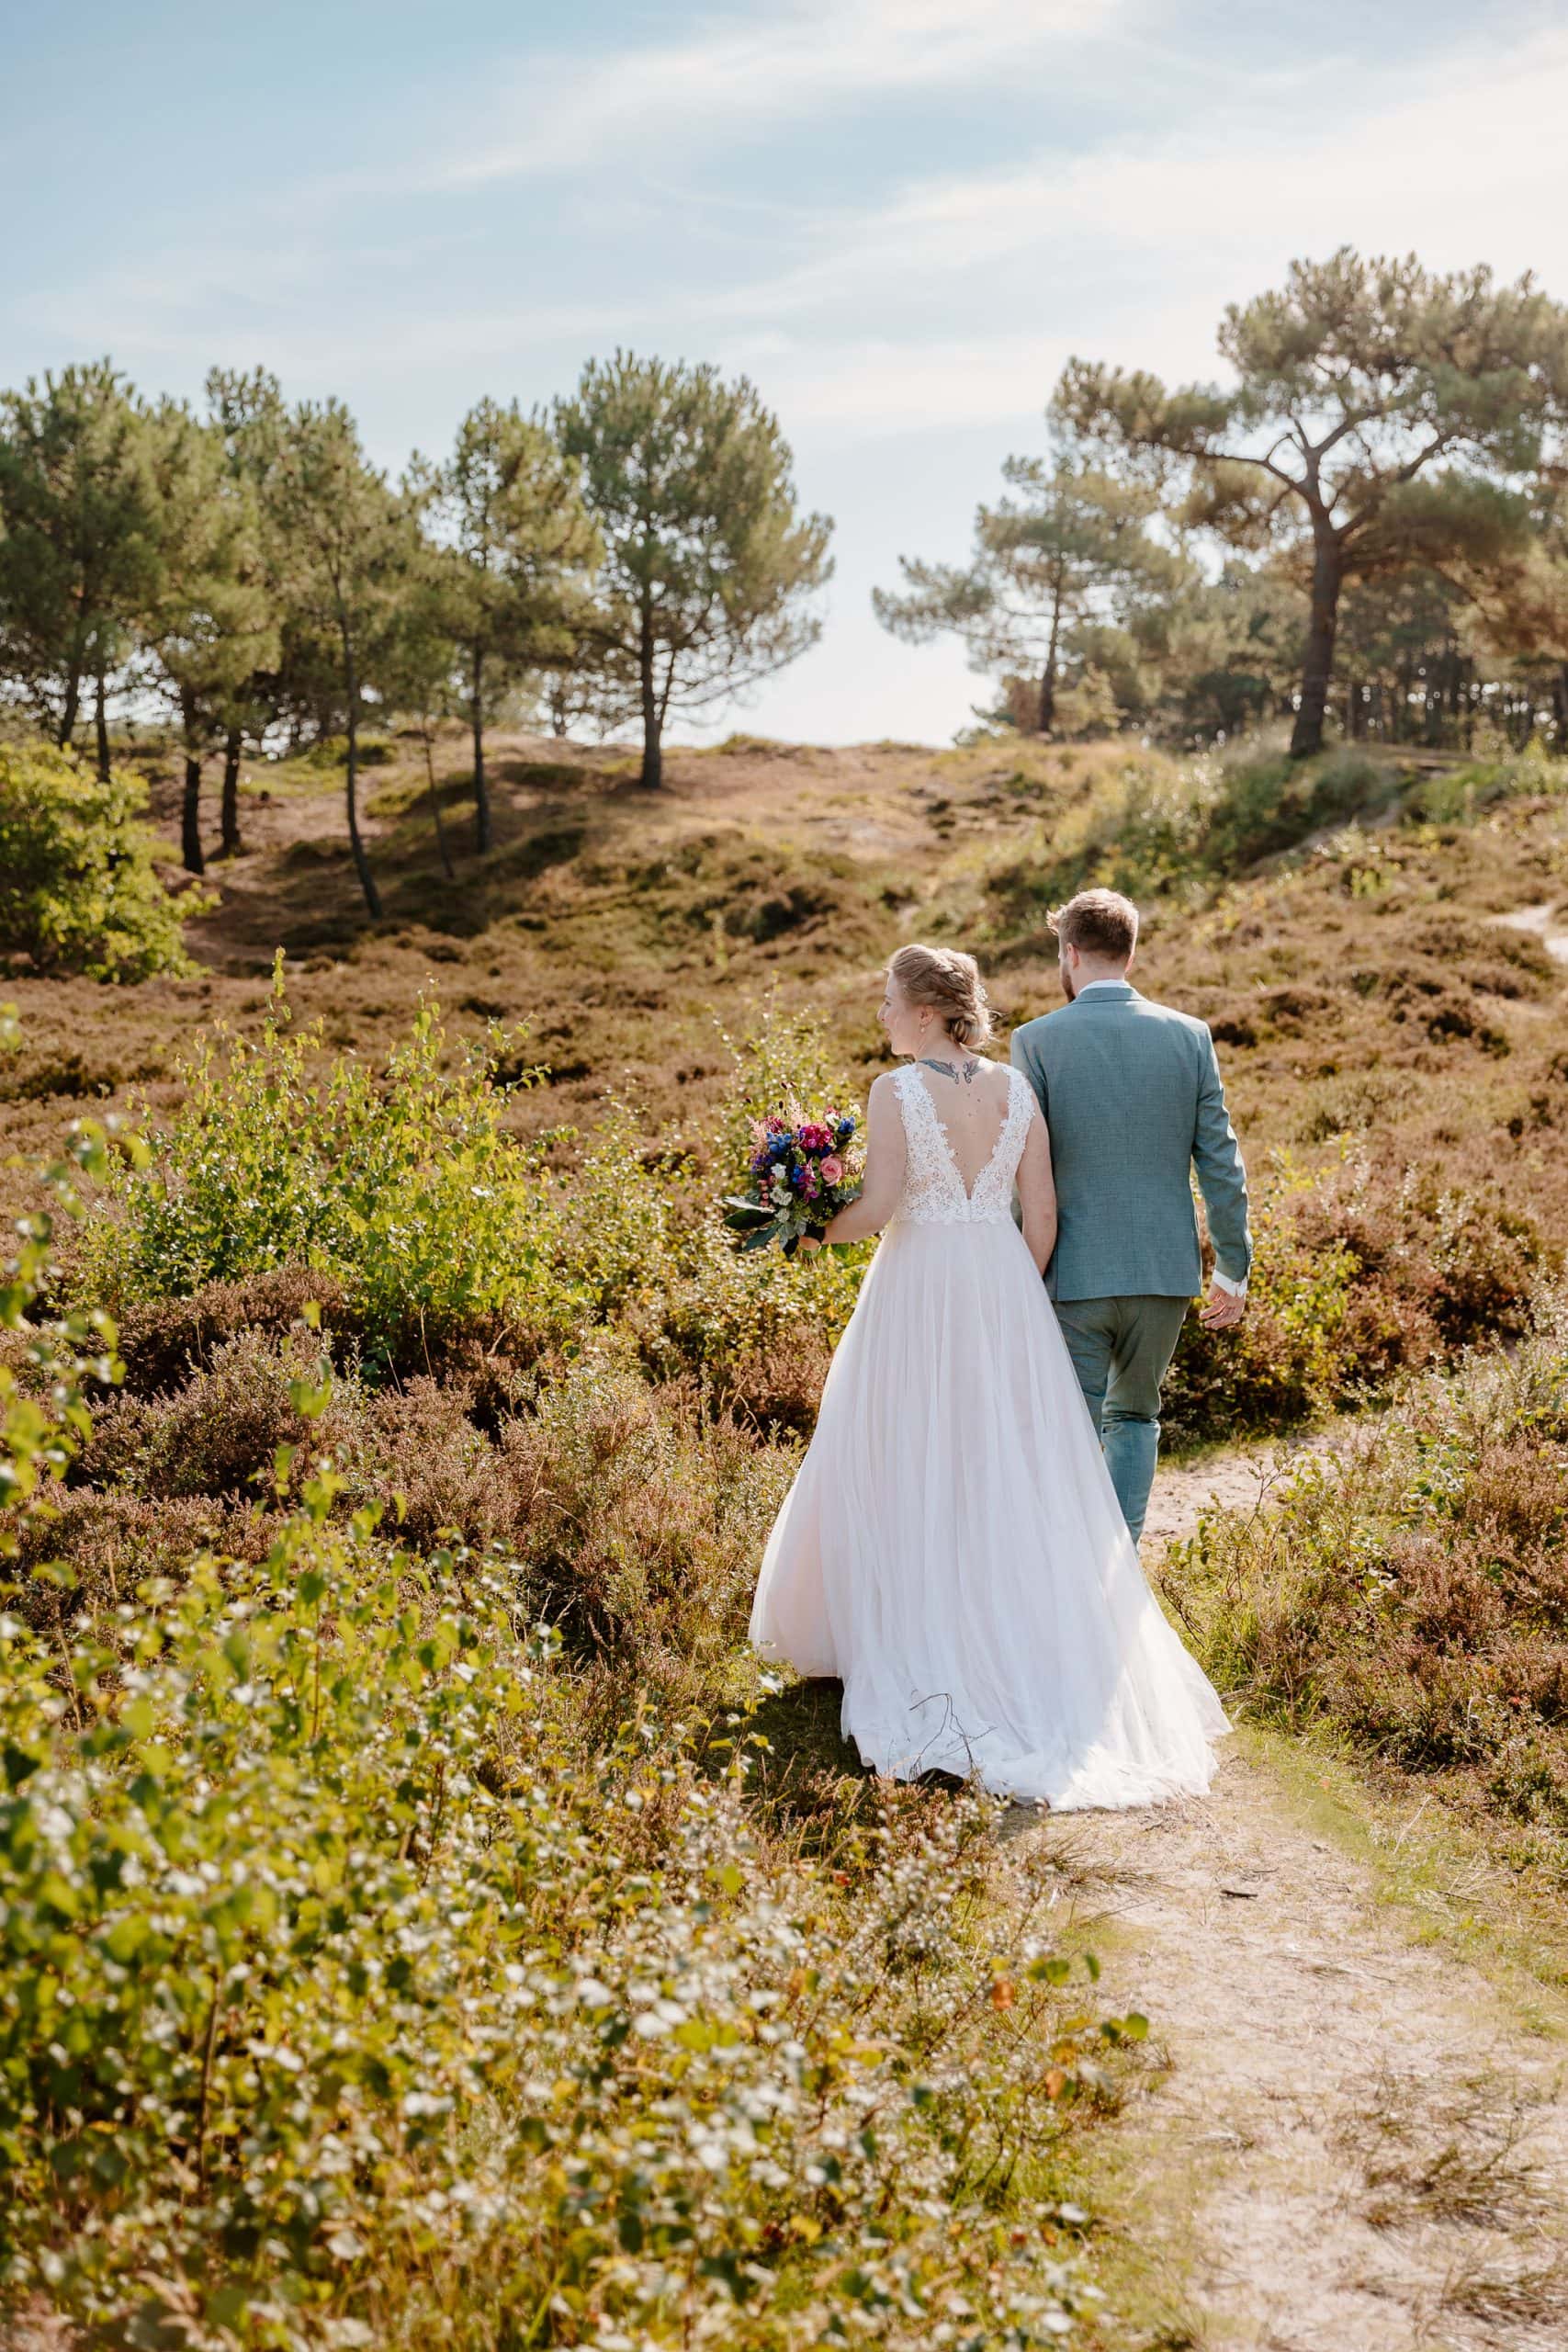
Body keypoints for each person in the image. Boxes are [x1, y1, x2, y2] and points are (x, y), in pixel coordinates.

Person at [750, 943, 1228, 1809]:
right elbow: (1039, 1210)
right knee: (1004, 1466)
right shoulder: (1016, 1087)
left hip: (921, 1289)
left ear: (927, 1011)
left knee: (905, 1448)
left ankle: (919, 1638)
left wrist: (811, 1228)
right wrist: (1012, 1287)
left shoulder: (894, 1092)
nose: (884, 1014)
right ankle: (1018, 1631)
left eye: (891, 1000)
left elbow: (877, 1209)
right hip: (1004, 1284)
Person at [1009, 888, 1252, 1546]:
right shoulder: (1189, 1036)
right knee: (1136, 1418)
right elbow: (1221, 1164)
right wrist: (1232, 1266)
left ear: (1071, 953)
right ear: (1130, 950)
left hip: (1070, 1273)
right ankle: (1121, 1564)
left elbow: (1021, 1174)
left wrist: (1013, 1267)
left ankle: (1067, 1564)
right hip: (1161, 1270)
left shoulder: (1033, 1043)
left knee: (1069, 1425)